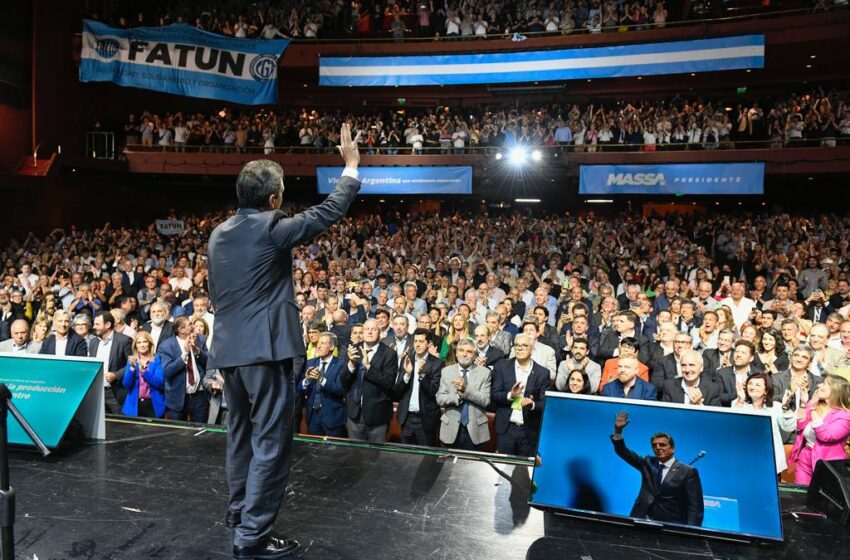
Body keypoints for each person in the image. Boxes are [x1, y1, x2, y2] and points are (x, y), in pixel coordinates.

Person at [206, 124, 361, 558]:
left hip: (228, 351)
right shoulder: (273, 225)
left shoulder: (217, 233)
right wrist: (350, 168)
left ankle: (239, 513)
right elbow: (326, 213)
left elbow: (217, 293)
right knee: (271, 442)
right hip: (266, 349)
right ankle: (252, 536)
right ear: (274, 199)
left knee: (239, 436)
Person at [610, 411, 704, 526]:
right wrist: (618, 431)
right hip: (640, 519)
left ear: (672, 448)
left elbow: (695, 507)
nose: (658, 448)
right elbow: (623, 452)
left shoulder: (688, 472)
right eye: (654, 445)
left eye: (662, 445)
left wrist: (691, 532)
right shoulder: (648, 463)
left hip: (669, 525)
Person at [491, 334, 551, 456]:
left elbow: (545, 403)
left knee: (525, 471)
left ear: (532, 349)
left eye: (524, 345)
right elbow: (494, 395)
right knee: (503, 467)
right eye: (517, 345)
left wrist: (532, 404)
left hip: (528, 431)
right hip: (506, 429)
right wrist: (511, 395)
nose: (519, 348)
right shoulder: (501, 366)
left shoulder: (542, 373)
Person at [790, 373, 850, 486]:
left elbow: (826, 436)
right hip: (805, 457)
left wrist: (812, 408)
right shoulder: (815, 404)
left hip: (828, 464)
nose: (819, 385)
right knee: (801, 494)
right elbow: (800, 426)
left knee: (821, 499)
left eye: (825, 383)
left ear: (835, 390)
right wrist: (804, 404)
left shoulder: (845, 416)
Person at [733, 372, 795, 474]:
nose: (752, 387)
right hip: (745, 459)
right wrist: (740, 400)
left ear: (766, 390)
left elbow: (789, 427)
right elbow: (733, 425)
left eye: (757, 385)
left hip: (770, 460)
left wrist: (786, 407)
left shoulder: (775, 407)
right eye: (750, 384)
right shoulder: (739, 403)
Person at [436, 338, 491, 451]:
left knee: (473, 467)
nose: (464, 354)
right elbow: (440, 399)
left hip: (476, 431)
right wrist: (457, 396)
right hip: (450, 429)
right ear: (456, 353)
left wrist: (466, 390)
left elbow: (486, 400)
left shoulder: (485, 373)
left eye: (469, 352)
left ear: (475, 355)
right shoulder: (446, 371)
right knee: (447, 467)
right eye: (461, 350)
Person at [394, 328, 443, 446]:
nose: (417, 344)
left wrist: (422, 375)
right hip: (407, 418)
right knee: (405, 457)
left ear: (429, 344)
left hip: (425, 419)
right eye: (415, 341)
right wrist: (407, 374)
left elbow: (433, 391)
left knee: (425, 458)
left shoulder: (437, 364)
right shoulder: (407, 360)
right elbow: (397, 391)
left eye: (421, 341)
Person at [158, 316, 209, 422]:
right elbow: (167, 371)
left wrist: (197, 352)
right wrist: (185, 354)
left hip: (199, 396)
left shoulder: (200, 340)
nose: (194, 326)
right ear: (180, 330)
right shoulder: (166, 346)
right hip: (177, 397)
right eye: (190, 324)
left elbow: (208, 362)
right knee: (177, 434)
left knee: (200, 431)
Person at [297, 332, 347, 437]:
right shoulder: (310, 363)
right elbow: (298, 389)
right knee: (314, 451)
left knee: (334, 451)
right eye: (318, 343)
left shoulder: (341, 364)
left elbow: (340, 390)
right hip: (312, 417)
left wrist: (321, 379)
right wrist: (306, 379)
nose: (318, 346)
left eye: (323, 343)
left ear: (332, 347)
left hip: (332, 418)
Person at [89, 311, 133, 413]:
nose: (94, 327)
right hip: (96, 392)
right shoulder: (93, 342)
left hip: (115, 393)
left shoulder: (124, 340)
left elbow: (132, 364)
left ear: (108, 324)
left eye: (97, 324)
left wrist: (116, 375)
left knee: (118, 425)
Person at [121, 331, 166, 418]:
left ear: (149, 344)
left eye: (145, 342)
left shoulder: (156, 359)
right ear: (135, 346)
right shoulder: (132, 360)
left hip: (153, 404)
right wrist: (132, 369)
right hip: (134, 405)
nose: (142, 345)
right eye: (139, 342)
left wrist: (144, 372)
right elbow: (126, 384)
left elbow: (159, 382)